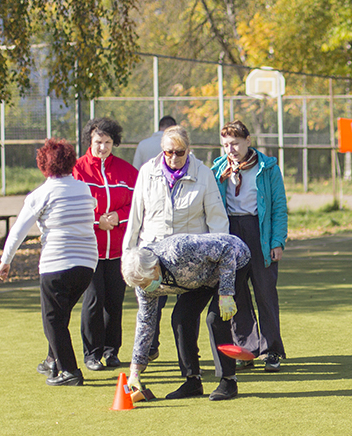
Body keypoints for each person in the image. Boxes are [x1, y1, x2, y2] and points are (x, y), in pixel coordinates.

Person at [124, 124, 228, 390]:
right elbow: (135, 217)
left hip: (192, 260)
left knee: (185, 317)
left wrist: (220, 261)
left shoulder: (204, 174)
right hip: (151, 261)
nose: (173, 158)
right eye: (168, 152)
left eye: (179, 152)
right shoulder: (147, 172)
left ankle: (194, 375)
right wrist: (128, 256)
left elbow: (217, 220)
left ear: (188, 150)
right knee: (148, 315)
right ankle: (139, 369)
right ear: (162, 149)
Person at [0, 139, 98, 386]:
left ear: (44, 164)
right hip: (87, 264)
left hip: (57, 262)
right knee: (61, 315)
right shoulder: (84, 189)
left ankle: (69, 371)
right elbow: (92, 208)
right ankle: (52, 360)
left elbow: (18, 230)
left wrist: (5, 260)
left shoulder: (41, 194)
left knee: (52, 319)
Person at [121, 233, 250, 401]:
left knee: (215, 318)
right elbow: (145, 322)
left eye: (145, 283)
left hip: (233, 260)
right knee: (181, 319)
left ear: (154, 268)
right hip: (198, 278)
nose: (145, 288)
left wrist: (226, 293)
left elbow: (226, 250)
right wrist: (135, 370)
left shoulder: (178, 250)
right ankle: (192, 381)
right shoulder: (144, 285)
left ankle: (229, 381)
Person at [211, 120, 288, 372]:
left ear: (248, 141)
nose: (230, 149)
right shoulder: (218, 169)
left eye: (235, 143)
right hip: (230, 232)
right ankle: (246, 350)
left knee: (265, 292)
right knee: (235, 292)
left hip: (259, 232)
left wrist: (277, 241)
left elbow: (279, 207)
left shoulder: (268, 168)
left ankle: (272, 350)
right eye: (225, 145)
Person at [73, 117, 138, 371]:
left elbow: (137, 204)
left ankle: (112, 351)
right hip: (89, 250)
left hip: (118, 251)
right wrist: (96, 220)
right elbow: (72, 205)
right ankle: (92, 353)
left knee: (114, 301)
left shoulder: (126, 171)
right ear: (89, 141)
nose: (102, 147)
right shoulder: (77, 170)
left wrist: (118, 217)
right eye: (98, 142)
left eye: (108, 142)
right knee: (93, 300)